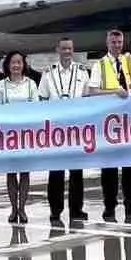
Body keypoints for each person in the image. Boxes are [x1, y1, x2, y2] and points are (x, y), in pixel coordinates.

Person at [87, 28, 131, 223]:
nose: (116, 46)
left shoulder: (130, 62)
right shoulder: (99, 65)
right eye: (113, 43)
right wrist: (114, 92)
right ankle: (109, 207)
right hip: (108, 123)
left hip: (128, 122)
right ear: (107, 44)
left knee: (129, 167)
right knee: (109, 168)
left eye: (119, 43)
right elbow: (92, 92)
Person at [38, 38, 89, 222]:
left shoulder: (82, 72)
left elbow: (87, 98)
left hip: (76, 128)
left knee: (77, 171)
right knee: (56, 172)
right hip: (56, 129)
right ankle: (55, 209)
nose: (67, 51)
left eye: (70, 48)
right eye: (64, 48)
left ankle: (76, 209)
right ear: (57, 49)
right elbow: (42, 99)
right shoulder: (48, 73)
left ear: (73, 50)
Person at [0, 51, 38, 224]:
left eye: (19, 62)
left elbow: (35, 108)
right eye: (13, 62)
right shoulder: (0, 86)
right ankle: (13, 209)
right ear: (8, 65)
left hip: (26, 135)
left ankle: (22, 208)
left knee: (25, 173)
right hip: (7, 136)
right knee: (11, 173)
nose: (16, 66)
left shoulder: (31, 84)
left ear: (23, 65)